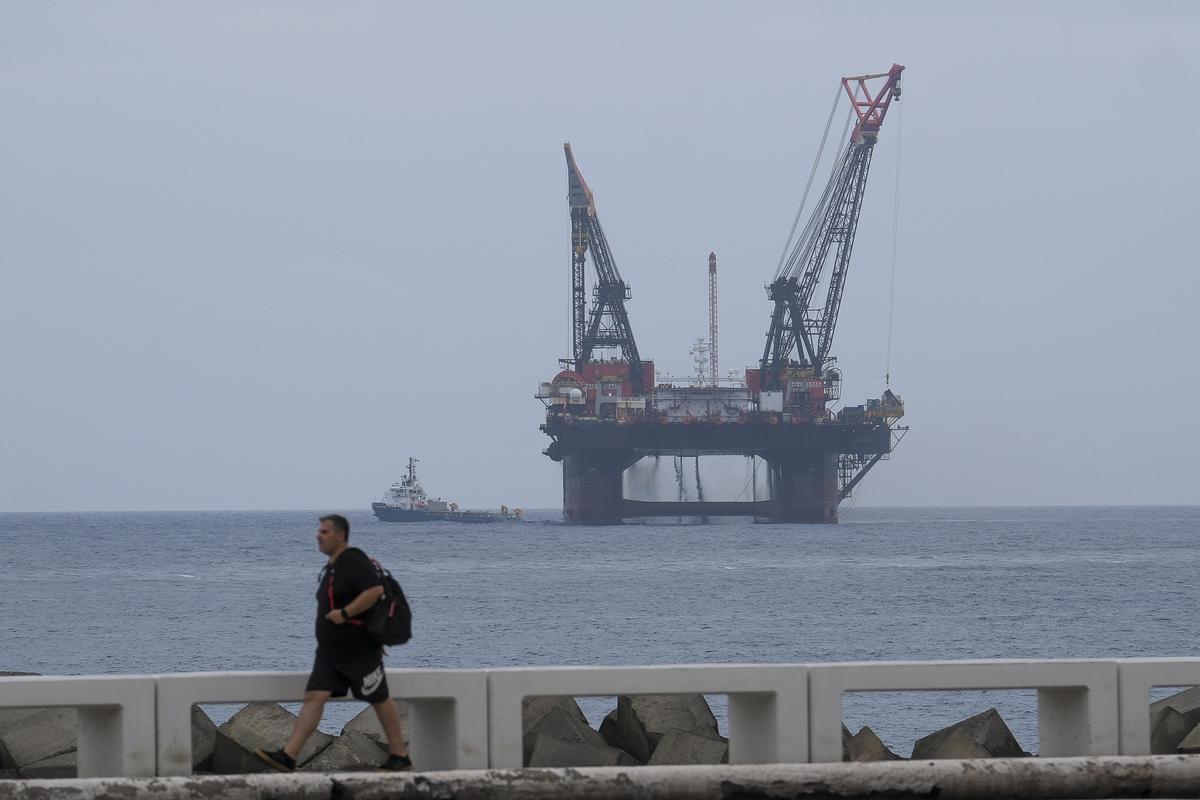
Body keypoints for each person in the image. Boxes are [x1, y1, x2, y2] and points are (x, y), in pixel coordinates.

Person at [255, 514, 411, 772]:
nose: (319, 535)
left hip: (357, 650)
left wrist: (345, 613)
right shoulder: (333, 566)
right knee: (314, 696)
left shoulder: (353, 560)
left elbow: (375, 591)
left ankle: (399, 755)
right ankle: (289, 756)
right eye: (319, 531)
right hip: (330, 652)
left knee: (379, 697)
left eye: (325, 531)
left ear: (341, 535)